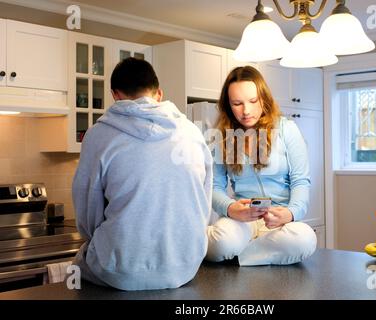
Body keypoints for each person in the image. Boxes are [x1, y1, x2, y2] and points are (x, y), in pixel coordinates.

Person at [72, 57, 212, 290]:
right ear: (159, 93)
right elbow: (203, 202)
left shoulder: (98, 135)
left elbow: (87, 210)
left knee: (76, 268)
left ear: (115, 95)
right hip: (186, 266)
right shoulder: (192, 133)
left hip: (119, 271)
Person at [206, 66, 317, 266]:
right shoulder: (222, 137)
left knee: (305, 239)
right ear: (228, 105)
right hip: (243, 220)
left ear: (263, 98)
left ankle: (240, 257)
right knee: (221, 244)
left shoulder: (286, 129)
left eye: (252, 101)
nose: (246, 111)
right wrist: (231, 209)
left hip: (280, 221)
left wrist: (291, 213)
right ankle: (258, 253)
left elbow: (301, 181)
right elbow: (213, 187)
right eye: (237, 103)